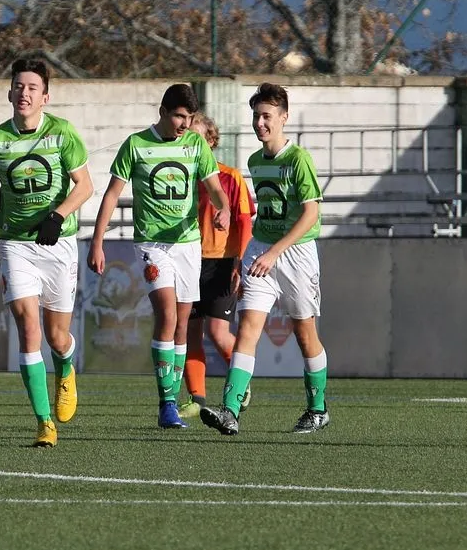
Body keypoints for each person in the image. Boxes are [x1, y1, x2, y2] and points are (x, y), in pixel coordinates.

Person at [0, 58, 93, 447]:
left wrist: (57, 216)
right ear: (9, 93)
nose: (25, 93)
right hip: (15, 243)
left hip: (58, 242)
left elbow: (85, 186)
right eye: (19, 86)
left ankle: (66, 367)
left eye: (33, 88)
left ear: (45, 97)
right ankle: (44, 424)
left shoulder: (62, 133)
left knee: (57, 337)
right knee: (28, 330)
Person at [88, 84, 229, 429]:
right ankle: (166, 404)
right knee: (166, 315)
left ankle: (174, 397)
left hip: (188, 244)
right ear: (164, 112)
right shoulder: (136, 145)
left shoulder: (195, 144)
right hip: (152, 244)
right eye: (179, 116)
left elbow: (213, 187)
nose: (184, 124)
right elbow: (111, 195)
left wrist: (223, 208)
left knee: (182, 324)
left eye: (189, 117)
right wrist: (97, 240)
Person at [200, 83, 329, 435]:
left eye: (267, 116)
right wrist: (254, 254)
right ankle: (230, 411)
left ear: (284, 118)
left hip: (296, 254)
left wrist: (275, 252)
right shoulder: (255, 161)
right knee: (247, 331)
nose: (260, 123)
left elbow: (310, 215)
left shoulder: (298, 159)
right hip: (262, 251)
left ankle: (318, 410)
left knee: (305, 334)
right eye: (256, 115)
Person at [178, 114, 254, 419]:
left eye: (198, 137)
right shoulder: (182, 175)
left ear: (211, 140)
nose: (193, 143)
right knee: (189, 332)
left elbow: (245, 221)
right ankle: (196, 398)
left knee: (218, 332)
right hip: (189, 260)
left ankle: (241, 381)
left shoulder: (229, 176)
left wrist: (241, 260)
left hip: (223, 261)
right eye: (188, 138)